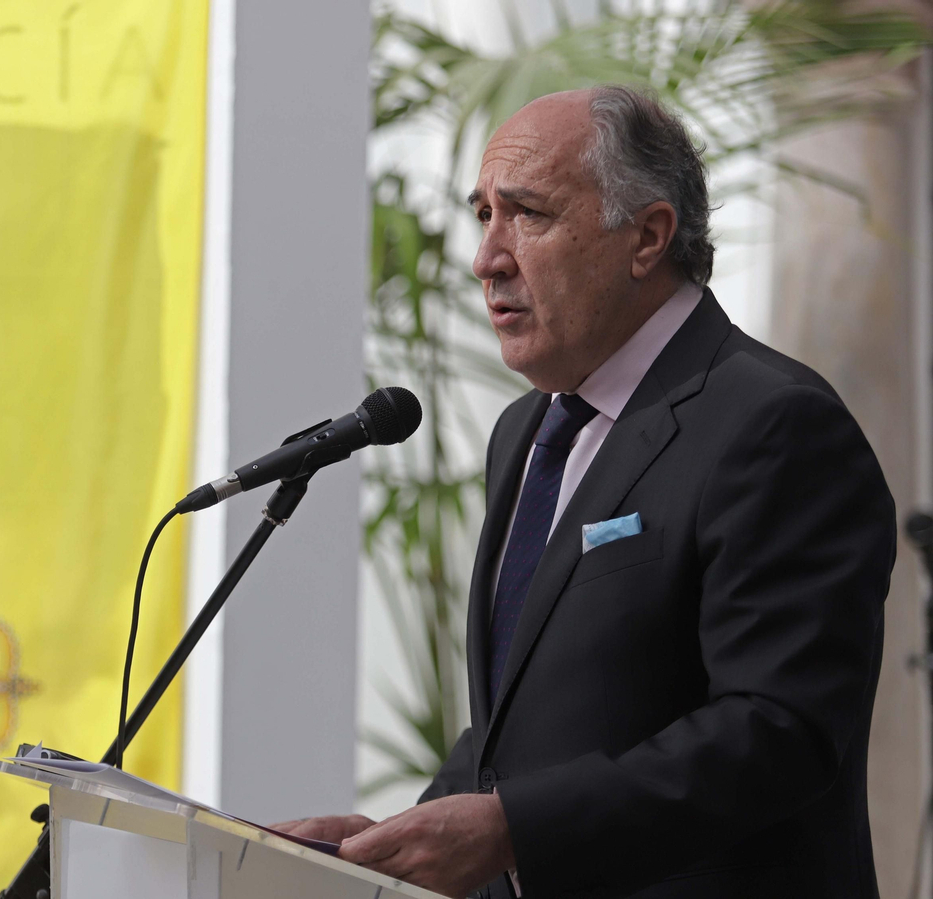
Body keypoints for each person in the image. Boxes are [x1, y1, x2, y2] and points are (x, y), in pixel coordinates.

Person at [277, 85, 896, 898]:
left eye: (527, 214)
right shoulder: (525, 431)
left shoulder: (774, 423)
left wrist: (515, 831)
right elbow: (523, 728)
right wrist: (388, 845)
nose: (487, 258)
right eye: (483, 215)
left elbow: (778, 730)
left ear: (648, 236)